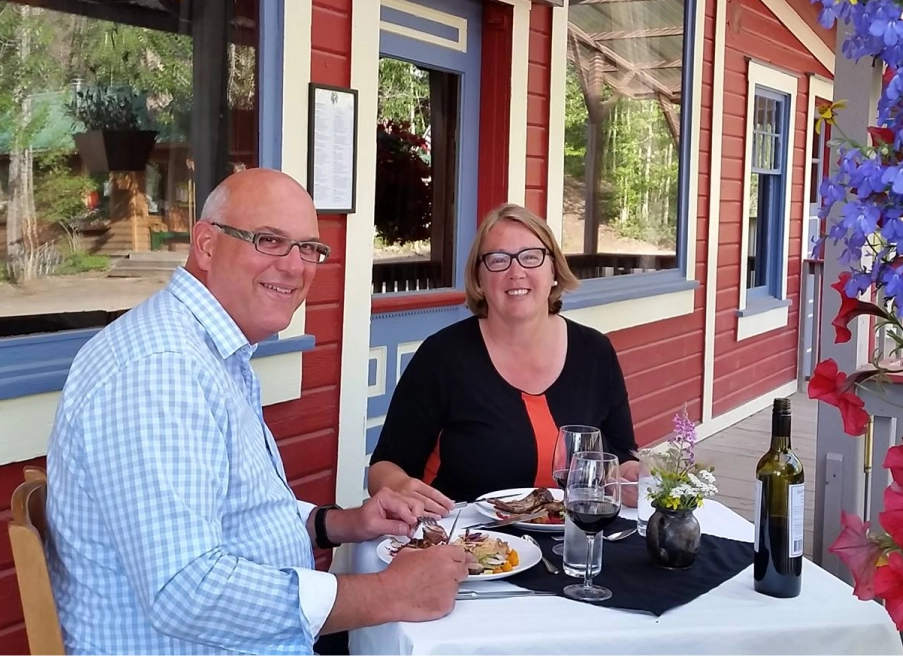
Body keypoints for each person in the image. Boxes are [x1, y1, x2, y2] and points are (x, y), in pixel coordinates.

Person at [45, 169, 468, 655]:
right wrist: (391, 593)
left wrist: (344, 523)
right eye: (269, 240)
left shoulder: (211, 352)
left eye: (309, 248)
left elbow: (237, 515)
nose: (295, 266)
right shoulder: (160, 370)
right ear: (205, 245)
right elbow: (186, 592)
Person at [368, 203, 640, 515]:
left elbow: (622, 455)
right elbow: (383, 469)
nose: (516, 272)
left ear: (554, 270)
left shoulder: (595, 351)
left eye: (531, 256)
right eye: (498, 260)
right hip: (467, 546)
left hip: (573, 538)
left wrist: (631, 476)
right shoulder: (442, 358)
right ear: (479, 279)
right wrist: (400, 486)